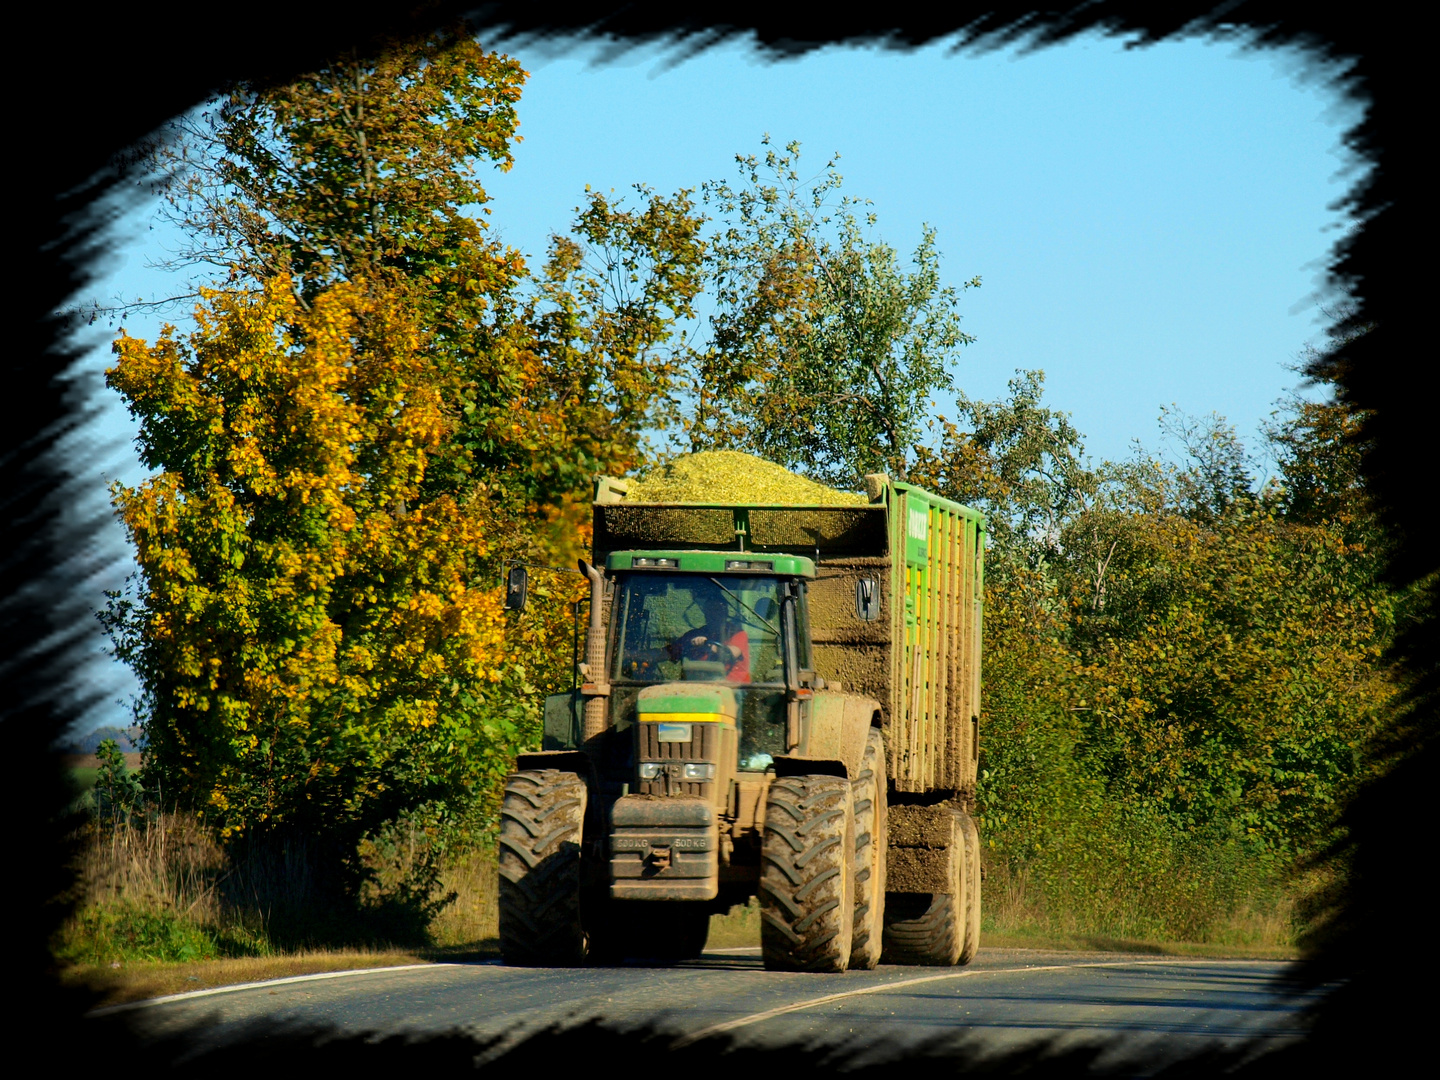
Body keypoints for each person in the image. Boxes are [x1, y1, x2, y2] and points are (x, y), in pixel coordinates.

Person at [668, 592, 751, 682]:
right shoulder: (694, 635)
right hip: (696, 686)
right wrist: (652, 655)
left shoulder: (737, 634)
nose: (714, 614)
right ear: (705, 613)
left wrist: (708, 645)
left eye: (718, 610)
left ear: (725, 613)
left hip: (732, 687)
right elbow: (668, 652)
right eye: (710, 610)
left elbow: (730, 653)